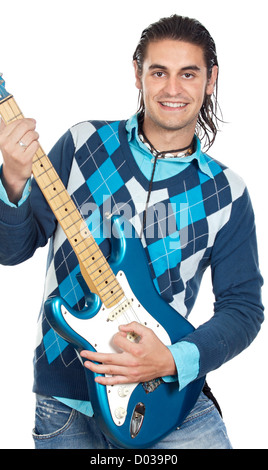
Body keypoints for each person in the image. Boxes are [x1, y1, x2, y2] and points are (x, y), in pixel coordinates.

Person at [0, 14, 264, 449]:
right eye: (158, 72)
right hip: (65, 403)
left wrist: (171, 359)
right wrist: (12, 179)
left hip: (168, 398)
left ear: (210, 79)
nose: (172, 89)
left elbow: (243, 309)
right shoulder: (83, 143)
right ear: (137, 74)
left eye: (188, 73)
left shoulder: (227, 193)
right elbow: (13, 250)